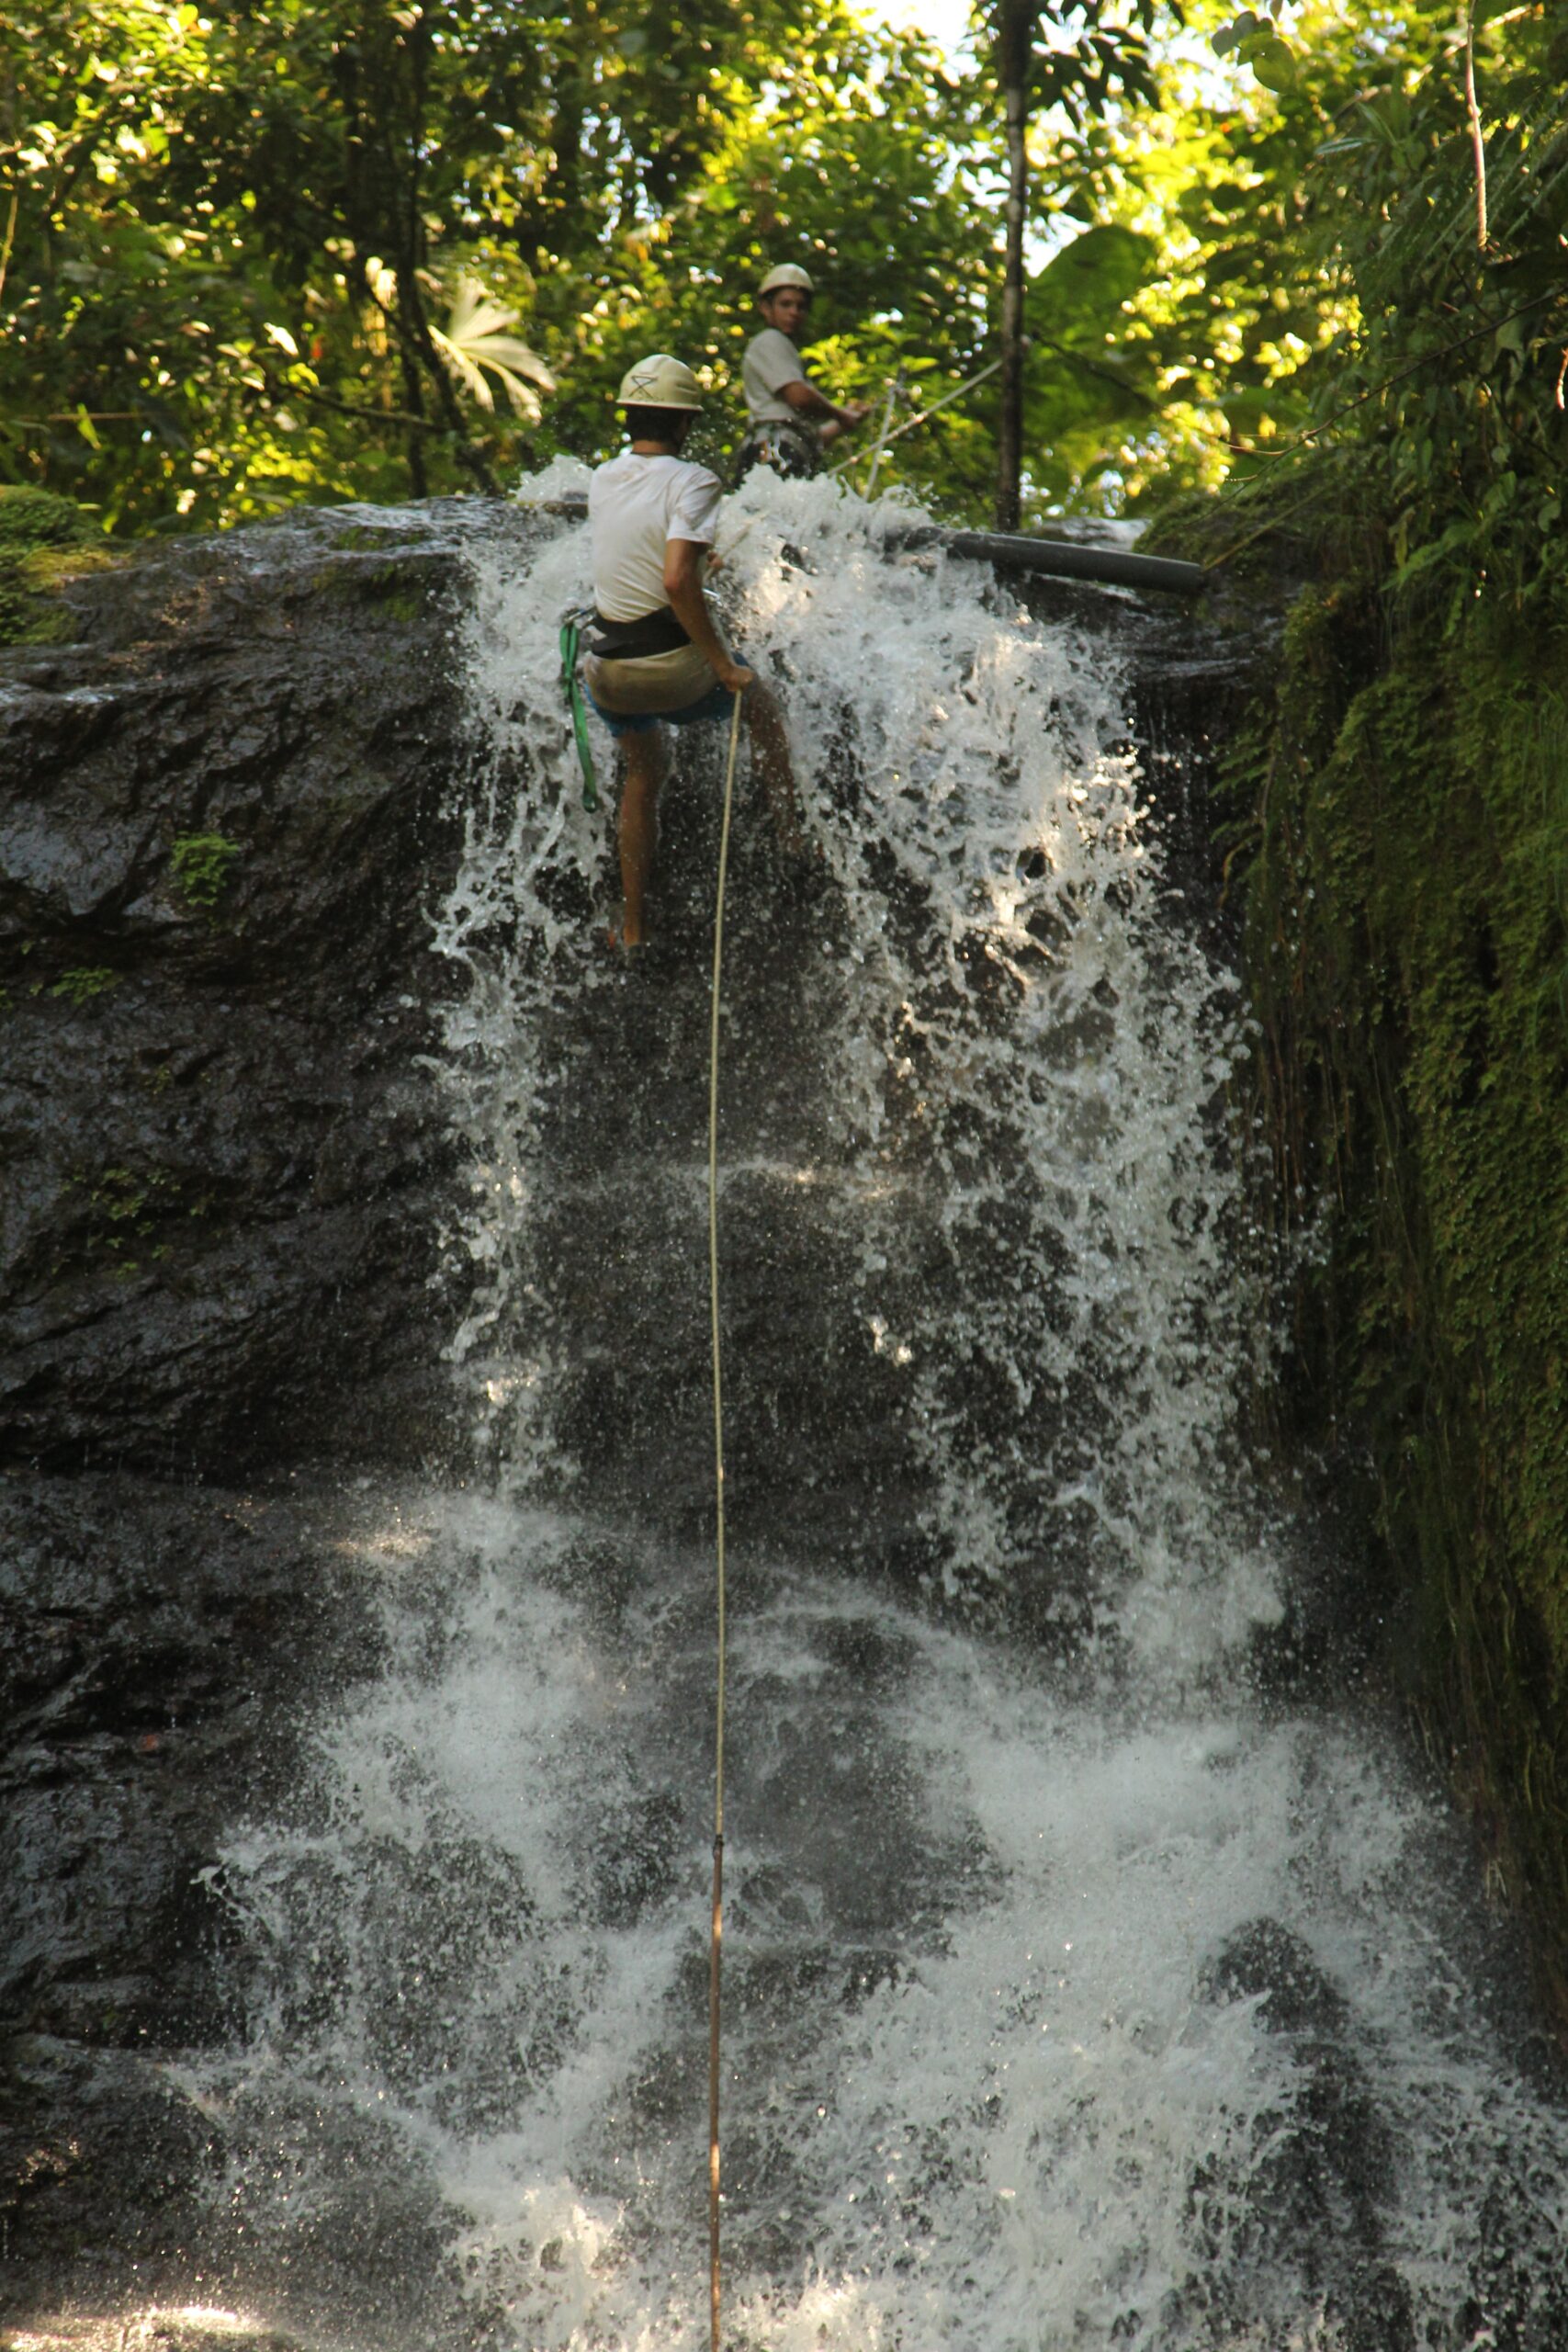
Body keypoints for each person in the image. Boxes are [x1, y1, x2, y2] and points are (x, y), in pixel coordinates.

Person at [582, 352, 803, 951]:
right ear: (683, 425)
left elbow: (637, 558)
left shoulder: (602, 477)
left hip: (607, 671)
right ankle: (792, 843)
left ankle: (632, 929)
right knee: (761, 707)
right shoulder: (694, 480)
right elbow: (677, 580)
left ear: (628, 418)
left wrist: (701, 558)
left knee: (644, 770)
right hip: (671, 672)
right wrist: (722, 665)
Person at [735, 263, 871, 481]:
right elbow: (799, 396)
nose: (794, 312)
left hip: (786, 451)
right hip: (773, 451)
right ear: (766, 307)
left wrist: (843, 420)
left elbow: (814, 438)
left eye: (801, 306)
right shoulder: (769, 341)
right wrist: (840, 413)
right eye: (785, 304)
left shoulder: (785, 353)